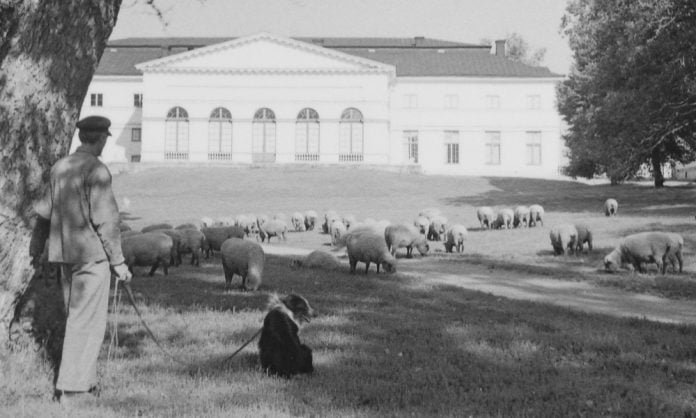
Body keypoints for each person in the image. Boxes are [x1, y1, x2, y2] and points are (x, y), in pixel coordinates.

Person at [30, 115, 132, 406]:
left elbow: (43, 213)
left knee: (76, 317)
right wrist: (119, 263)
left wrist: (38, 248)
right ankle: (74, 390)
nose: (103, 144)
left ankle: (81, 381)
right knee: (87, 322)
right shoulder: (97, 170)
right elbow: (107, 222)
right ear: (100, 139)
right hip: (91, 257)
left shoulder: (60, 167)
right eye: (104, 139)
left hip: (64, 256)